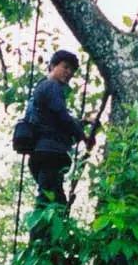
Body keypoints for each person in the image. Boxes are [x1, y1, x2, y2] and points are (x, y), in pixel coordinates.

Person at [27, 49, 94, 228]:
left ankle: (48, 243)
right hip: (49, 153)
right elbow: (62, 117)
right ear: (52, 66)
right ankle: (42, 243)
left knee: (55, 200)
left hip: (43, 152)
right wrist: (83, 136)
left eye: (71, 71)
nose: (68, 73)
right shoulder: (52, 86)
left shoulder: (42, 87)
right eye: (65, 67)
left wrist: (81, 123)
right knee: (48, 202)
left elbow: (54, 121)